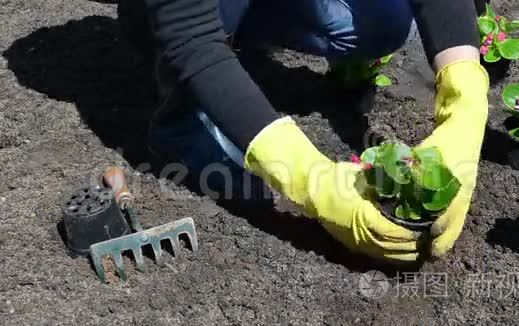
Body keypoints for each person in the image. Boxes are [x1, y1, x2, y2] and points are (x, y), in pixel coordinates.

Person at [117, 0, 490, 262]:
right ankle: (180, 125)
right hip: (175, 19)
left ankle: (236, 32)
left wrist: (465, 103)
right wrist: (311, 179)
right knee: (203, 46)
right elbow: (192, 42)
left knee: (382, 18)